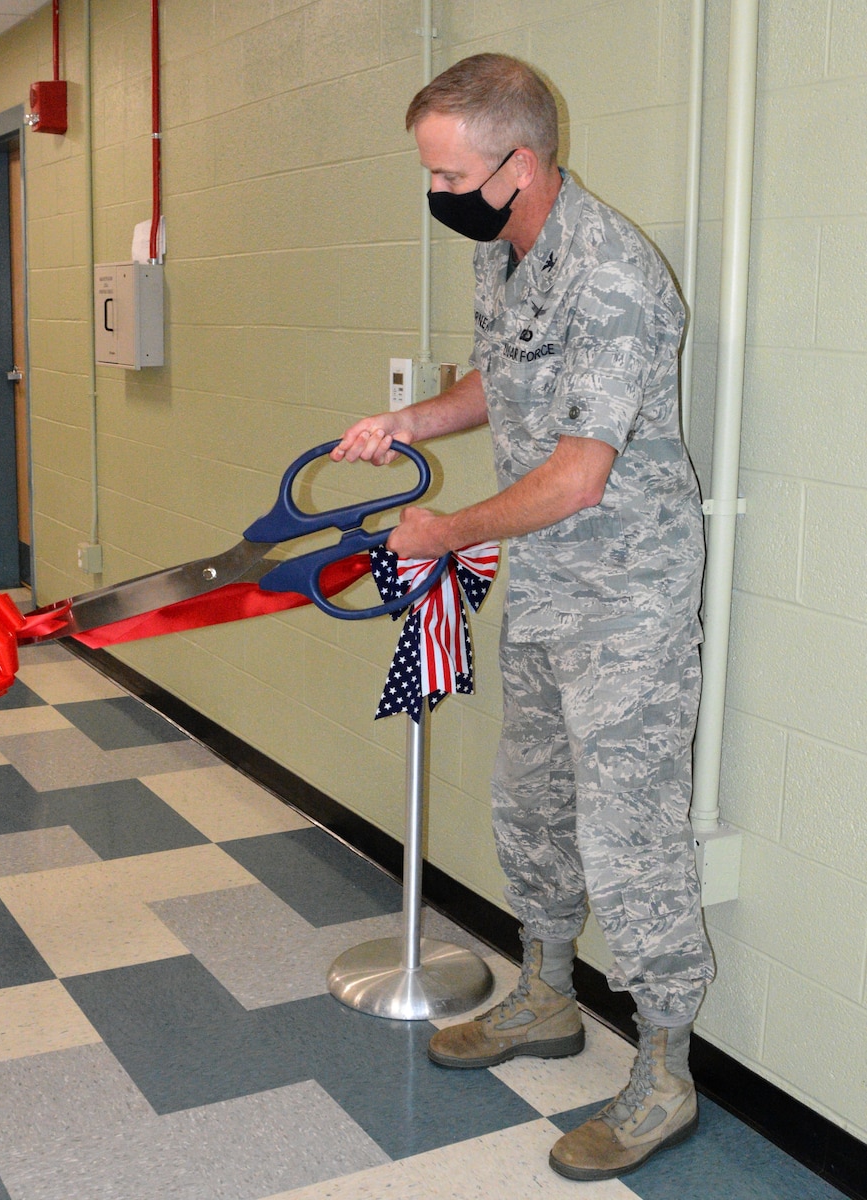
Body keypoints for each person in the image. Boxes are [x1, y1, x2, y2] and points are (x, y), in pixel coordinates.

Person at [332, 53, 714, 1182]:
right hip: (547, 587)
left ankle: (664, 1071)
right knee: (530, 801)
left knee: (628, 836)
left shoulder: (613, 277)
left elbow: (579, 477)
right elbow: (501, 382)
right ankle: (547, 995)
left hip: (628, 599)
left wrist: (446, 532)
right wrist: (411, 426)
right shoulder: (510, 254)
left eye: (449, 172)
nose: (437, 192)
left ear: (521, 163)